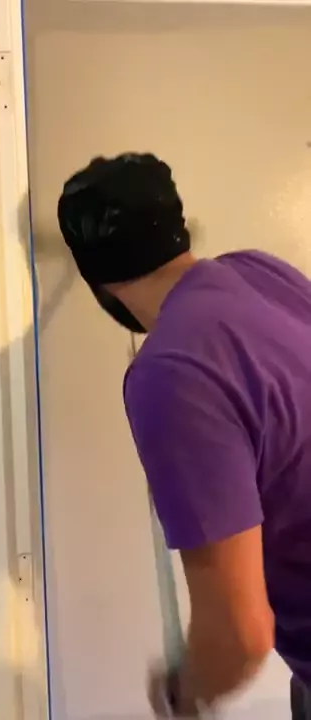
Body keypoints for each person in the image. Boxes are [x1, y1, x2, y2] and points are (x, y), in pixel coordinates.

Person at [57, 153, 311, 719]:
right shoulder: (260, 272)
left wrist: (185, 695)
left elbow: (241, 636)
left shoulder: (168, 372)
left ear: (99, 283)